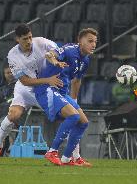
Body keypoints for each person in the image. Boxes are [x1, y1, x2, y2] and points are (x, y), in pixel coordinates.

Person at [0, 24, 64, 163]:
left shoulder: (41, 42)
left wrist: (53, 56)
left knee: (60, 115)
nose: (29, 41)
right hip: (25, 88)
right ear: (17, 39)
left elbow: (58, 49)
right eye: (24, 39)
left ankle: (56, 152)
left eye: (30, 37)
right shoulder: (12, 55)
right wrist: (48, 79)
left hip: (45, 88)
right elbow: (25, 81)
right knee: (13, 115)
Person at [34, 28, 98, 166]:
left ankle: (67, 158)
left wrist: (74, 101)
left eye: (95, 42)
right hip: (47, 89)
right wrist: (56, 62)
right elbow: (49, 54)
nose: (93, 44)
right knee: (73, 116)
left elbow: (77, 80)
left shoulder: (85, 60)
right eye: (90, 41)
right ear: (80, 41)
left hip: (62, 92)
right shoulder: (69, 50)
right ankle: (52, 151)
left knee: (83, 122)